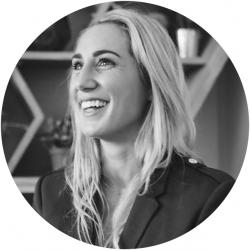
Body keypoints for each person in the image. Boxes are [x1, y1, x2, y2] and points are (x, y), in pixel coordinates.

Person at [33, 8, 235, 249]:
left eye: (105, 62)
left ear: (151, 82)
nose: (82, 83)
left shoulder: (210, 196)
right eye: (77, 65)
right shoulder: (49, 192)